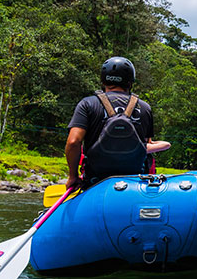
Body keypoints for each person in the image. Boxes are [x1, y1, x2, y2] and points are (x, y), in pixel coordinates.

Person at [66, 56, 156, 191]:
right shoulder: (145, 107)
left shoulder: (88, 104)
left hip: (95, 182)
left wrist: (73, 176)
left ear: (103, 80)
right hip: (134, 184)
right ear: (130, 82)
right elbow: (146, 146)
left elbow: (73, 142)